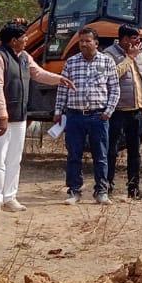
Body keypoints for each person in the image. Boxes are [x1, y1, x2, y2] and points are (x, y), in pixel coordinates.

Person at [0, 22, 73, 213]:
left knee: (14, 159)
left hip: (19, 116)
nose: (26, 39)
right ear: (13, 40)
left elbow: (38, 73)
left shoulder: (24, 56)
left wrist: (59, 79)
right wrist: (2, 115)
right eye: (23, 37)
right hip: (0, 118)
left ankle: (10, 197)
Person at [54, 28, 120, 205]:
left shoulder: (107, 62)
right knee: (74, 155)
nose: (83, 44)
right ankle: (74, 191)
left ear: (96, 43)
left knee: (101, 155)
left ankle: (101, 192)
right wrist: (58, 111)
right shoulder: (71, 62)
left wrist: (108, 112)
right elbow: (62, 88)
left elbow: (114, 89)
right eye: (81, 41)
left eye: (87, 41)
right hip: (75, 116)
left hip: (98, 116)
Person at [105, 25, 142, 200]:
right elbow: (111, 76)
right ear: (125, 39)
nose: (139, 42)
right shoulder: (109, 54)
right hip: (116, 112)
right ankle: (107, 187)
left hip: (137, 112)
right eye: (135, 39)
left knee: (134, 152)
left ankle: (133, 189)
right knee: (111, 151)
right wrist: (129, 58)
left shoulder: (139, 55)